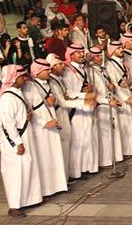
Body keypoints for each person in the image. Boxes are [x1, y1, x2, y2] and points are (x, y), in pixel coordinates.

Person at [0, 64, 43, 218]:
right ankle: (14, 206)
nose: (25, 79)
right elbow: (8, 123)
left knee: (27, 168)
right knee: (14, 173)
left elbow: (18, 115)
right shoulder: (7, 98)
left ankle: (29, 199)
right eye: (22, 76)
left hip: (24, 136)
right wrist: (18, 142)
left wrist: (26, 116)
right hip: (15, 141)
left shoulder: (17, 93)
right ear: (14, 78)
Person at [21, 59, 67, 197]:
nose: (49, 71)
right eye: (46, 70)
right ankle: (47, 189)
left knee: (54, 155)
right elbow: (29, 111)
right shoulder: (29, 87)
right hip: (40, 129)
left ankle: (58, 185)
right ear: (38, 72)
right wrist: (43, 123)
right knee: (45, 157)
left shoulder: (49, 83)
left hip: (52, 122)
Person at [62, 43, 98, 179]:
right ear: (71, 55)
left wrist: (90, 89)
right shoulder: (67, 71)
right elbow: (68, 92)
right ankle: (76, 171)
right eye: (79, 53)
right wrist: (84, 95)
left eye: (83, 52)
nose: (82, 55)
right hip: (76, 109)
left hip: (87, 107)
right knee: (78, 140)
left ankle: (87, 167)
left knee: (88, 137)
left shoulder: (84, 69)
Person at [86, 47, 123, 168]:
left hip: (110, 100)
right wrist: (107, 101)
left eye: (101, 55)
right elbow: (95, 94)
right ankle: (106, 161)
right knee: (105, 134)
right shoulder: (90, 72)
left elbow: (107, 84)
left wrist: (111, 86)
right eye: (97, 56)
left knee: (113, 131)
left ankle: (114, 156)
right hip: (102, 104)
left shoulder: (102, 70)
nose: (100, 58)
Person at [105, 40, 132, 157]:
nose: (121, 50)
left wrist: (129, 83)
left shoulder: (124, 62)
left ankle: (128, 151)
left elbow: (128, 79)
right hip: (120, 98)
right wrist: (125, 99)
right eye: (118, 48)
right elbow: (115, 84)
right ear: (113, 50)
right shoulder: (110, 65)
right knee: (123, 126)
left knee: (129, 125)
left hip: (128, 93)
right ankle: (123, 152)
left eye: (121, 48)